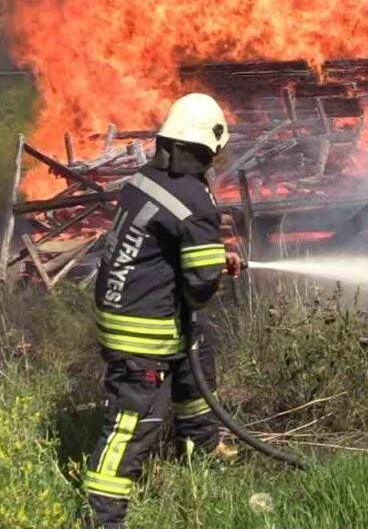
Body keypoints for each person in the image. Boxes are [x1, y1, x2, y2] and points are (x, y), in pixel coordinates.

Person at [84, 93, 242, 528]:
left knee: (198, 350)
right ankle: (104, 517)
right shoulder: (194, 197)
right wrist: (210, 272)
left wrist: (209, 258)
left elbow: (159, 246)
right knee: (133, 425)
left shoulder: (141, 180)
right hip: (143, 330)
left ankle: (201, 446)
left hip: (121, 307)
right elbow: (200, 284)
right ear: (205, 147)